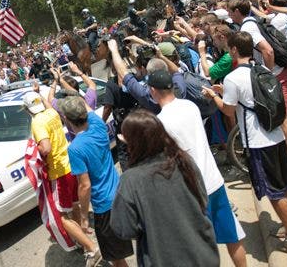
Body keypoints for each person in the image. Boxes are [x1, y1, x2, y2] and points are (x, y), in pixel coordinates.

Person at [203, 31, 287, 253]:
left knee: (274, 191)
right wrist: (227, 92)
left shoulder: (233, 77)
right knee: (286, 185)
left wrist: (214, 96)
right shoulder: (262, 69)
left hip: (258, 142)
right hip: (276, 135)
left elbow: (228, 109)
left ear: (234, 50)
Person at [146, 70, 246, 266]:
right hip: (214, 181)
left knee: (199, 248)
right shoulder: (190, 106)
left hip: (192, 192)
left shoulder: (160, 122)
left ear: (152, 91)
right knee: (232, 235)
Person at [110, 110, 219, 266]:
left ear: (133, 143)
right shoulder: (185, 162)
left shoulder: (131, 180)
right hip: (204, 255)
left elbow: (124, 229)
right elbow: (203, 200)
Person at [228, 0, 287, 178]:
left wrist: (268, 74)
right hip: (285, 71)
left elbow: (268, 50)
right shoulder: (253, 20)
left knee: (283, 119)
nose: (228, 14)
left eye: (230, 11)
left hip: (279, 73)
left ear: (237, 12)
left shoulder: (247, 27)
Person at [22, 91, 101, 266]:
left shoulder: (37, 122)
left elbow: (46, 148)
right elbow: (49, 105)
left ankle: (91, 248)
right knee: (74, 206)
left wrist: (35, 151)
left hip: (58, 172)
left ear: (27, 110)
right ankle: (82, 241)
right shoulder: (51, 113)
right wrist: (38, 94)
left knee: (60, 216)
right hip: (70, 165)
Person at [57, 96, 133, 267]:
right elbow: (84, 105)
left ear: (66, 119)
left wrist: (84, 217)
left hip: (104, 205)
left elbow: (85, 185)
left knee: (116, 257)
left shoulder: (75, 148)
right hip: (120, 194)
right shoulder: (98, 125)